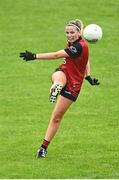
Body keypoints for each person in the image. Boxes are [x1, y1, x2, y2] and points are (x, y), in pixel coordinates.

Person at [19, 19, 100, 158]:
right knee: (58, 75)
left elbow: (56, 55)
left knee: (56, 117)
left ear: (79, 32)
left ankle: (43, 147)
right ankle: (57, 85)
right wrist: (89, 76)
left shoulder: (79, 47)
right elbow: (87, 59)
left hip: (73, 85)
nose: (69, 35)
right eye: (67, 32)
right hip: (65, 72)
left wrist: (34, 56)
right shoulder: (76, 43)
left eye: (72, 32)